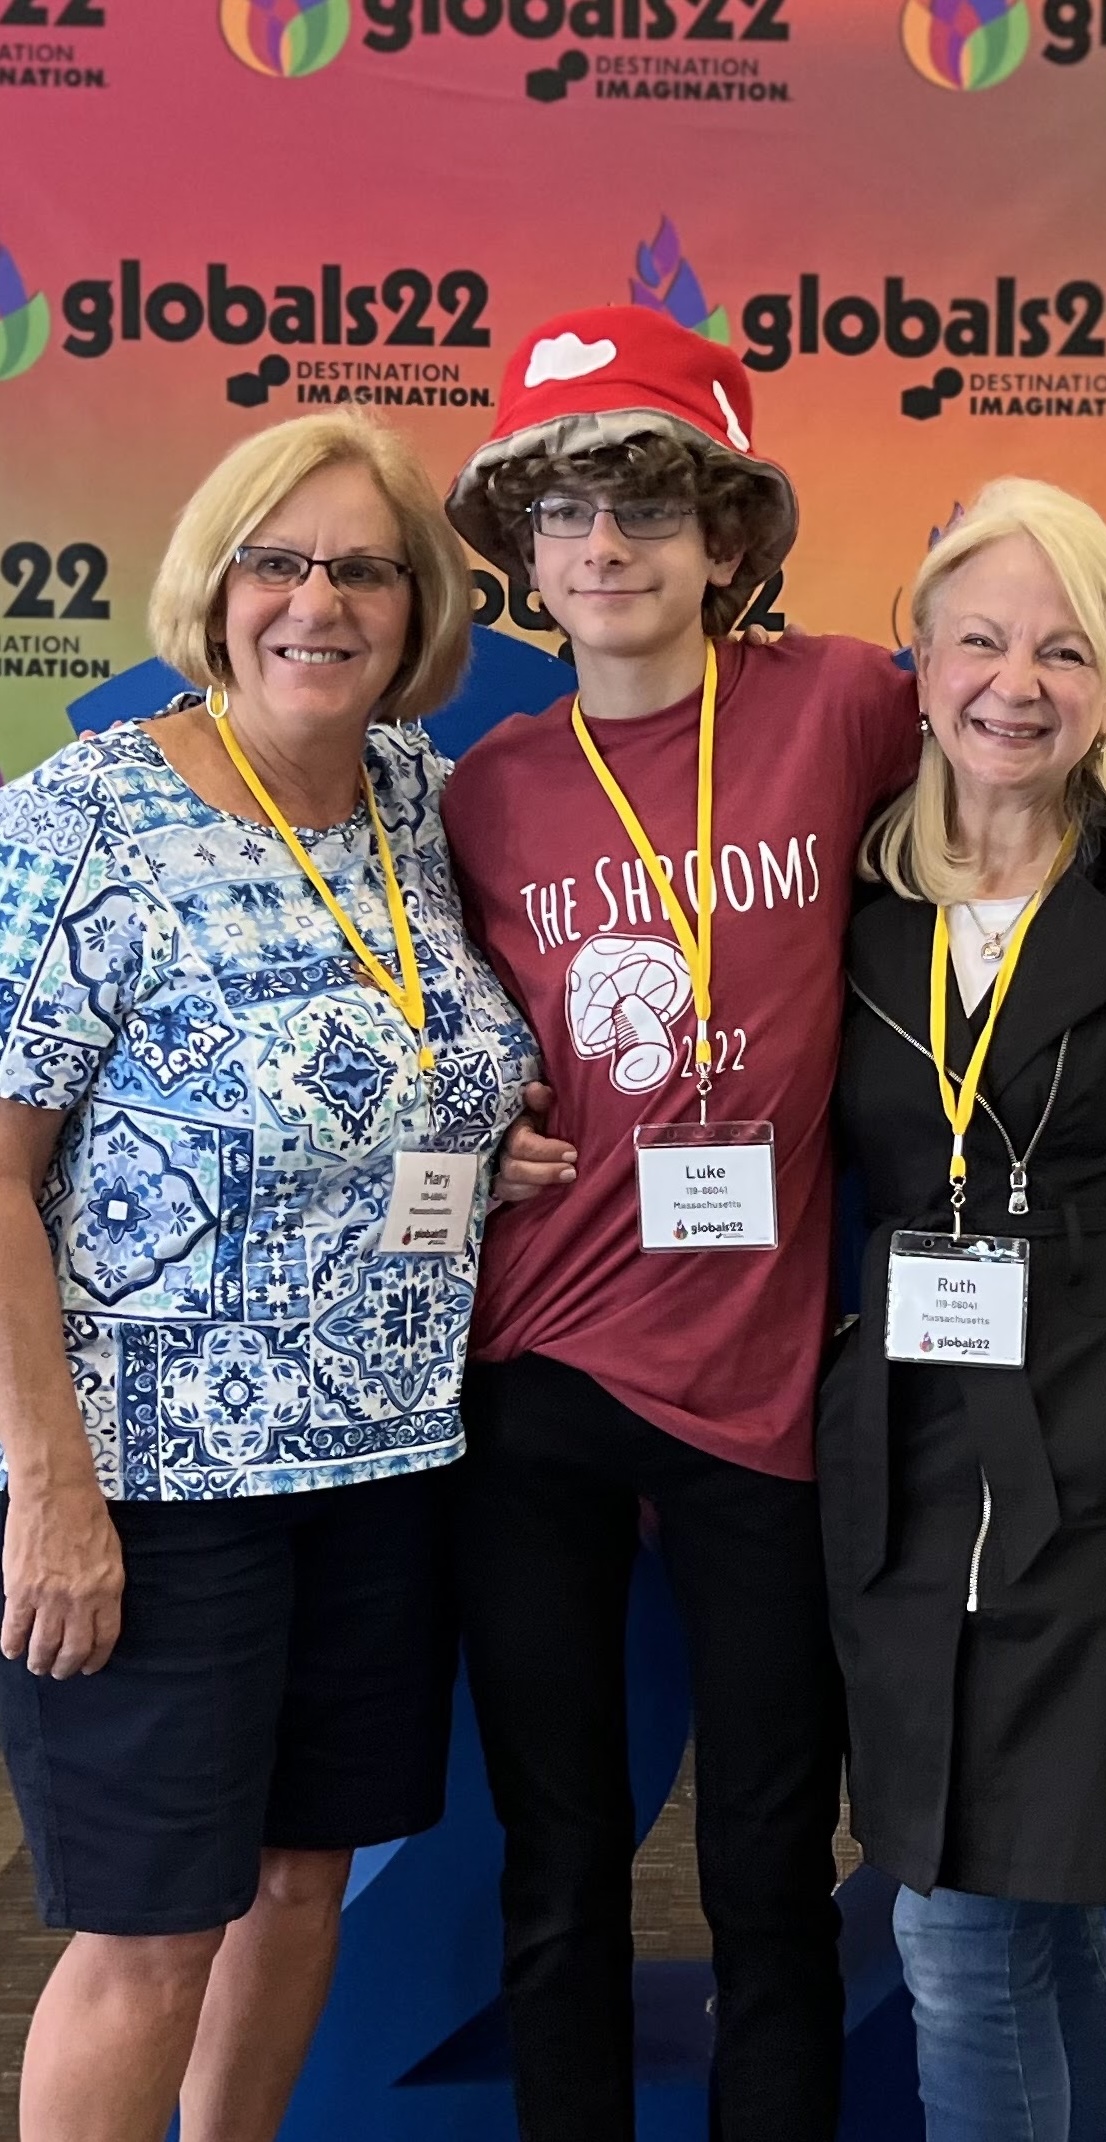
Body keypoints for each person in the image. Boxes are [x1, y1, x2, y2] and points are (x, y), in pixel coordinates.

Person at [440, 306, 1106, 2142]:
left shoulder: (841, 703)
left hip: (784, 1397)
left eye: (651, 506)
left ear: (731, 537)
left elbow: (1064, 733)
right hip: (550, 1366)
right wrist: (472, 1140)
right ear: (519, 552)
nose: (605, 547)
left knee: (781, 1868)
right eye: (563, 512)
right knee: (560, 1856)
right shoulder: (481, 791)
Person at [0, 411, 535, 2142]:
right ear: (213, 586)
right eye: (278, 562)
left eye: (365, 568)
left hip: (389, 1466)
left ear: (419, 605)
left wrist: (486, 1145)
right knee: (151, 1930)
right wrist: (51, 1489)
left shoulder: (415, 794)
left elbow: (403, 1068)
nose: (320, 601)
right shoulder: (86, 818)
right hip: (155, 1488)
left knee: (304, 1881)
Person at [817, 476, 1106, 2142]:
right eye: (983, 642)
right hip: (911, 1473)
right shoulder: (855, 895)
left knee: (960, 1928)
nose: (1017, 683)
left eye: (1065, 651)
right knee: (1030, 1913)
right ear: (920, 661)